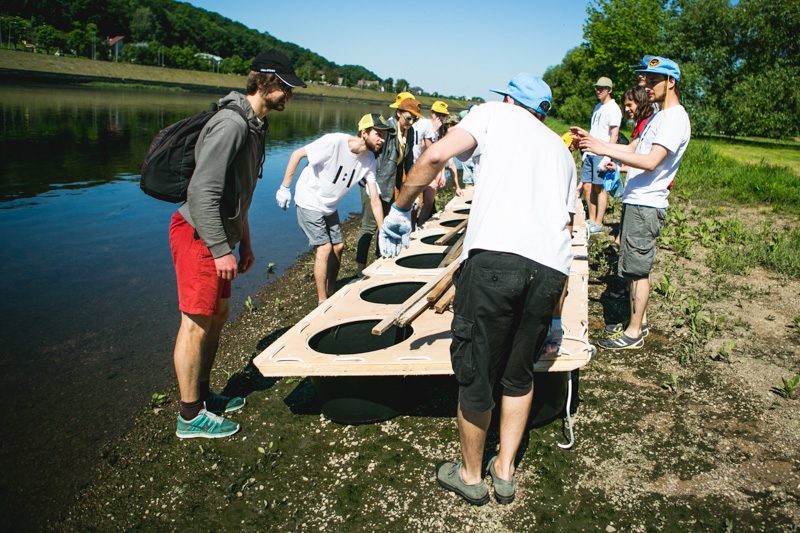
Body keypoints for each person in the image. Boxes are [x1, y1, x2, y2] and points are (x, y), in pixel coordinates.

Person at [380, 74, 576, 505]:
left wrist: (398, 209)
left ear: (509, 99)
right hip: (548, 272)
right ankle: (504, 470)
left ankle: (470, 477)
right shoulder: (561, 152)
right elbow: (567, 226)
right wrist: (557, 316)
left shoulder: (492, 114)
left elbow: (434, 155)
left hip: (494, 263)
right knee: (519, 373)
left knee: (476, 374)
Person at [170, 50, 304, 438]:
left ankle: (203, 395)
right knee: (195, 323)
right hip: (198, 234)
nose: (290, 96)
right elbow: (202, 192)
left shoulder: (256, 126)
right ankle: (189, 415)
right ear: (263, 83)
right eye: (285, 87)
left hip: (221, 235)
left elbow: (239, 195)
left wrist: (244, 243)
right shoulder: (231, 124)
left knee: (217, 316)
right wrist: (218, 248)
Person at [572, 56, 691, 350]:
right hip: (636, 200)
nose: (646, 86)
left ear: (670, 82)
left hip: (647, 204)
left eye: (653, 81)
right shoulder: (659, 117)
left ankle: (634, 333)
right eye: (646, 80)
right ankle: (641, 321)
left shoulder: (676, 119)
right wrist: (593, 141)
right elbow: (631, 149)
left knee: (637, 270)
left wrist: (600, 147)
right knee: (631, 266)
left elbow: (651, 162)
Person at [276, 114, 392, 302]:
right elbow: (296, 154)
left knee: (338, 247)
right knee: (325, 247)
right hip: (309, 199)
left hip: (329, 205)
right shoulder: (334, 142)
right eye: (378, 134)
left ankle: (331, 291)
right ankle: (322, 301)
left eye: (384, 135)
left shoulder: (369, 158)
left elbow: (375, 199)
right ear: (363, 133)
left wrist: (383, 231)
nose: (382, 139)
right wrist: (284, 187)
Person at [355, 96, 420, 275]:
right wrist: (370, 185)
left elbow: (408, 161)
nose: (411, 122)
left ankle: (380, 260)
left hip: (390, 182)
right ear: (398, 113)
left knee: (384, 223)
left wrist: (410, 189)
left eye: (415, 119)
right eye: (408, 118)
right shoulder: (387, 128)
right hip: (373, 181)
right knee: (369, 226)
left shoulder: (411, 131)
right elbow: (372, 156)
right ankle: (359, 270)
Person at [579, 76, 621, 234]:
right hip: (590, 152)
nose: (598, 91)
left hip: (602, 152)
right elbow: (593, 130)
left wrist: (608, 155)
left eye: (602, 88)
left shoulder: (613, 108)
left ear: (609, 90)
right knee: (588, 186)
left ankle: (599, 222)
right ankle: (591, 218)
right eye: (597, 88)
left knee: (599, 187)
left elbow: (614, 135)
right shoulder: (597, 106)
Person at [414, 101, 453, 225]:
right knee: (416, 203)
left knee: (429, 200)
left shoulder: (442, 131)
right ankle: (412, 226)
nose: (441, 118)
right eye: (439, 114)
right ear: (432, 114)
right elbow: (420, 149)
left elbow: (441, 154)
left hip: (432, 170)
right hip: (420, 169)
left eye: (443, 115)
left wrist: (441, 173)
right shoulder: (424, 126)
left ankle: (420, 224)